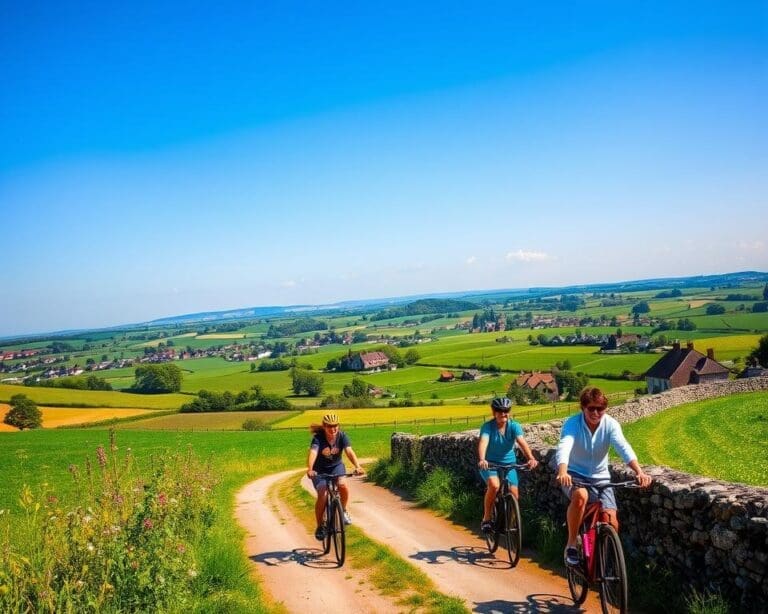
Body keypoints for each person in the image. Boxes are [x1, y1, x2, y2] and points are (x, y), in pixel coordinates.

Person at [555, 387, 652, 566]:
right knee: (581, 496)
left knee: (611, 522)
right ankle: (571, 545)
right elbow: (565, 446)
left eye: (600, 408)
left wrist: (639, 471)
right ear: (582, 407)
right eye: (591, 408)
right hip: (574, 474)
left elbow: (623, 447)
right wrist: (563, 471)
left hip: (601, 477)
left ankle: (601, 561)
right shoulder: (572, 423)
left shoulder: (611, 424)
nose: (596, 412)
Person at [477, 396, 539, 533]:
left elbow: (522, 442)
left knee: (514, 494)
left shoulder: (514, 426)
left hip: (509, 464)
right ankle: (486, 519)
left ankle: (508, 525)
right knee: (494, 485)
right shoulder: (487, 427)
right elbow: (483, 443)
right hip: (490, 464)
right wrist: (482, 459)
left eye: (506, 410)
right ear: (494, 412)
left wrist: (530, 458)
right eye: (499, 411)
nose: (503, 413)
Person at [306, 413, 365, 541]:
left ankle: (343, 510)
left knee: (342, 485)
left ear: (338, 426)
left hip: (336, 467)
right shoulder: (318, 438)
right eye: (329, 426)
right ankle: (320, 526)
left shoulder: (342, 436)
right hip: (319, 470)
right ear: (324, 426)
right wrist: (310, 469)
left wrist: (357, 466)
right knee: (323, 493)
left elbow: (349, 451)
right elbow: (313, 452)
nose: (333, 429)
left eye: (335, 426)